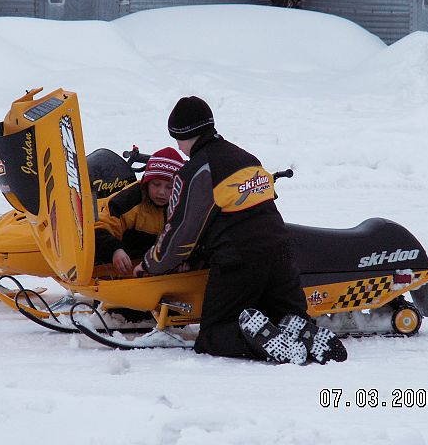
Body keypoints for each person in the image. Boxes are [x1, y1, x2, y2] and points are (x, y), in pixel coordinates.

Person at [133, 96, 347, 365]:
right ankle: (297, 327)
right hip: (282, 253)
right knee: (280, 315)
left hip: (239, 261)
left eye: (177, 139)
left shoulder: (199, 170)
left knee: (212, 334)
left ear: (186, 134)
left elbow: (180, 237)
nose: (179, 146)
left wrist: (150, 264)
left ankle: (257, 339)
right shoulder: (247, 158)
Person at [95, 147, 184, 275]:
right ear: (146, 182)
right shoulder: (130, 200)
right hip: (124, 263)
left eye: (169, 187)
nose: (161, 192)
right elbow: (99, 224)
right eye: (156, 184)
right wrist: (115, 250)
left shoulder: (184, 203)